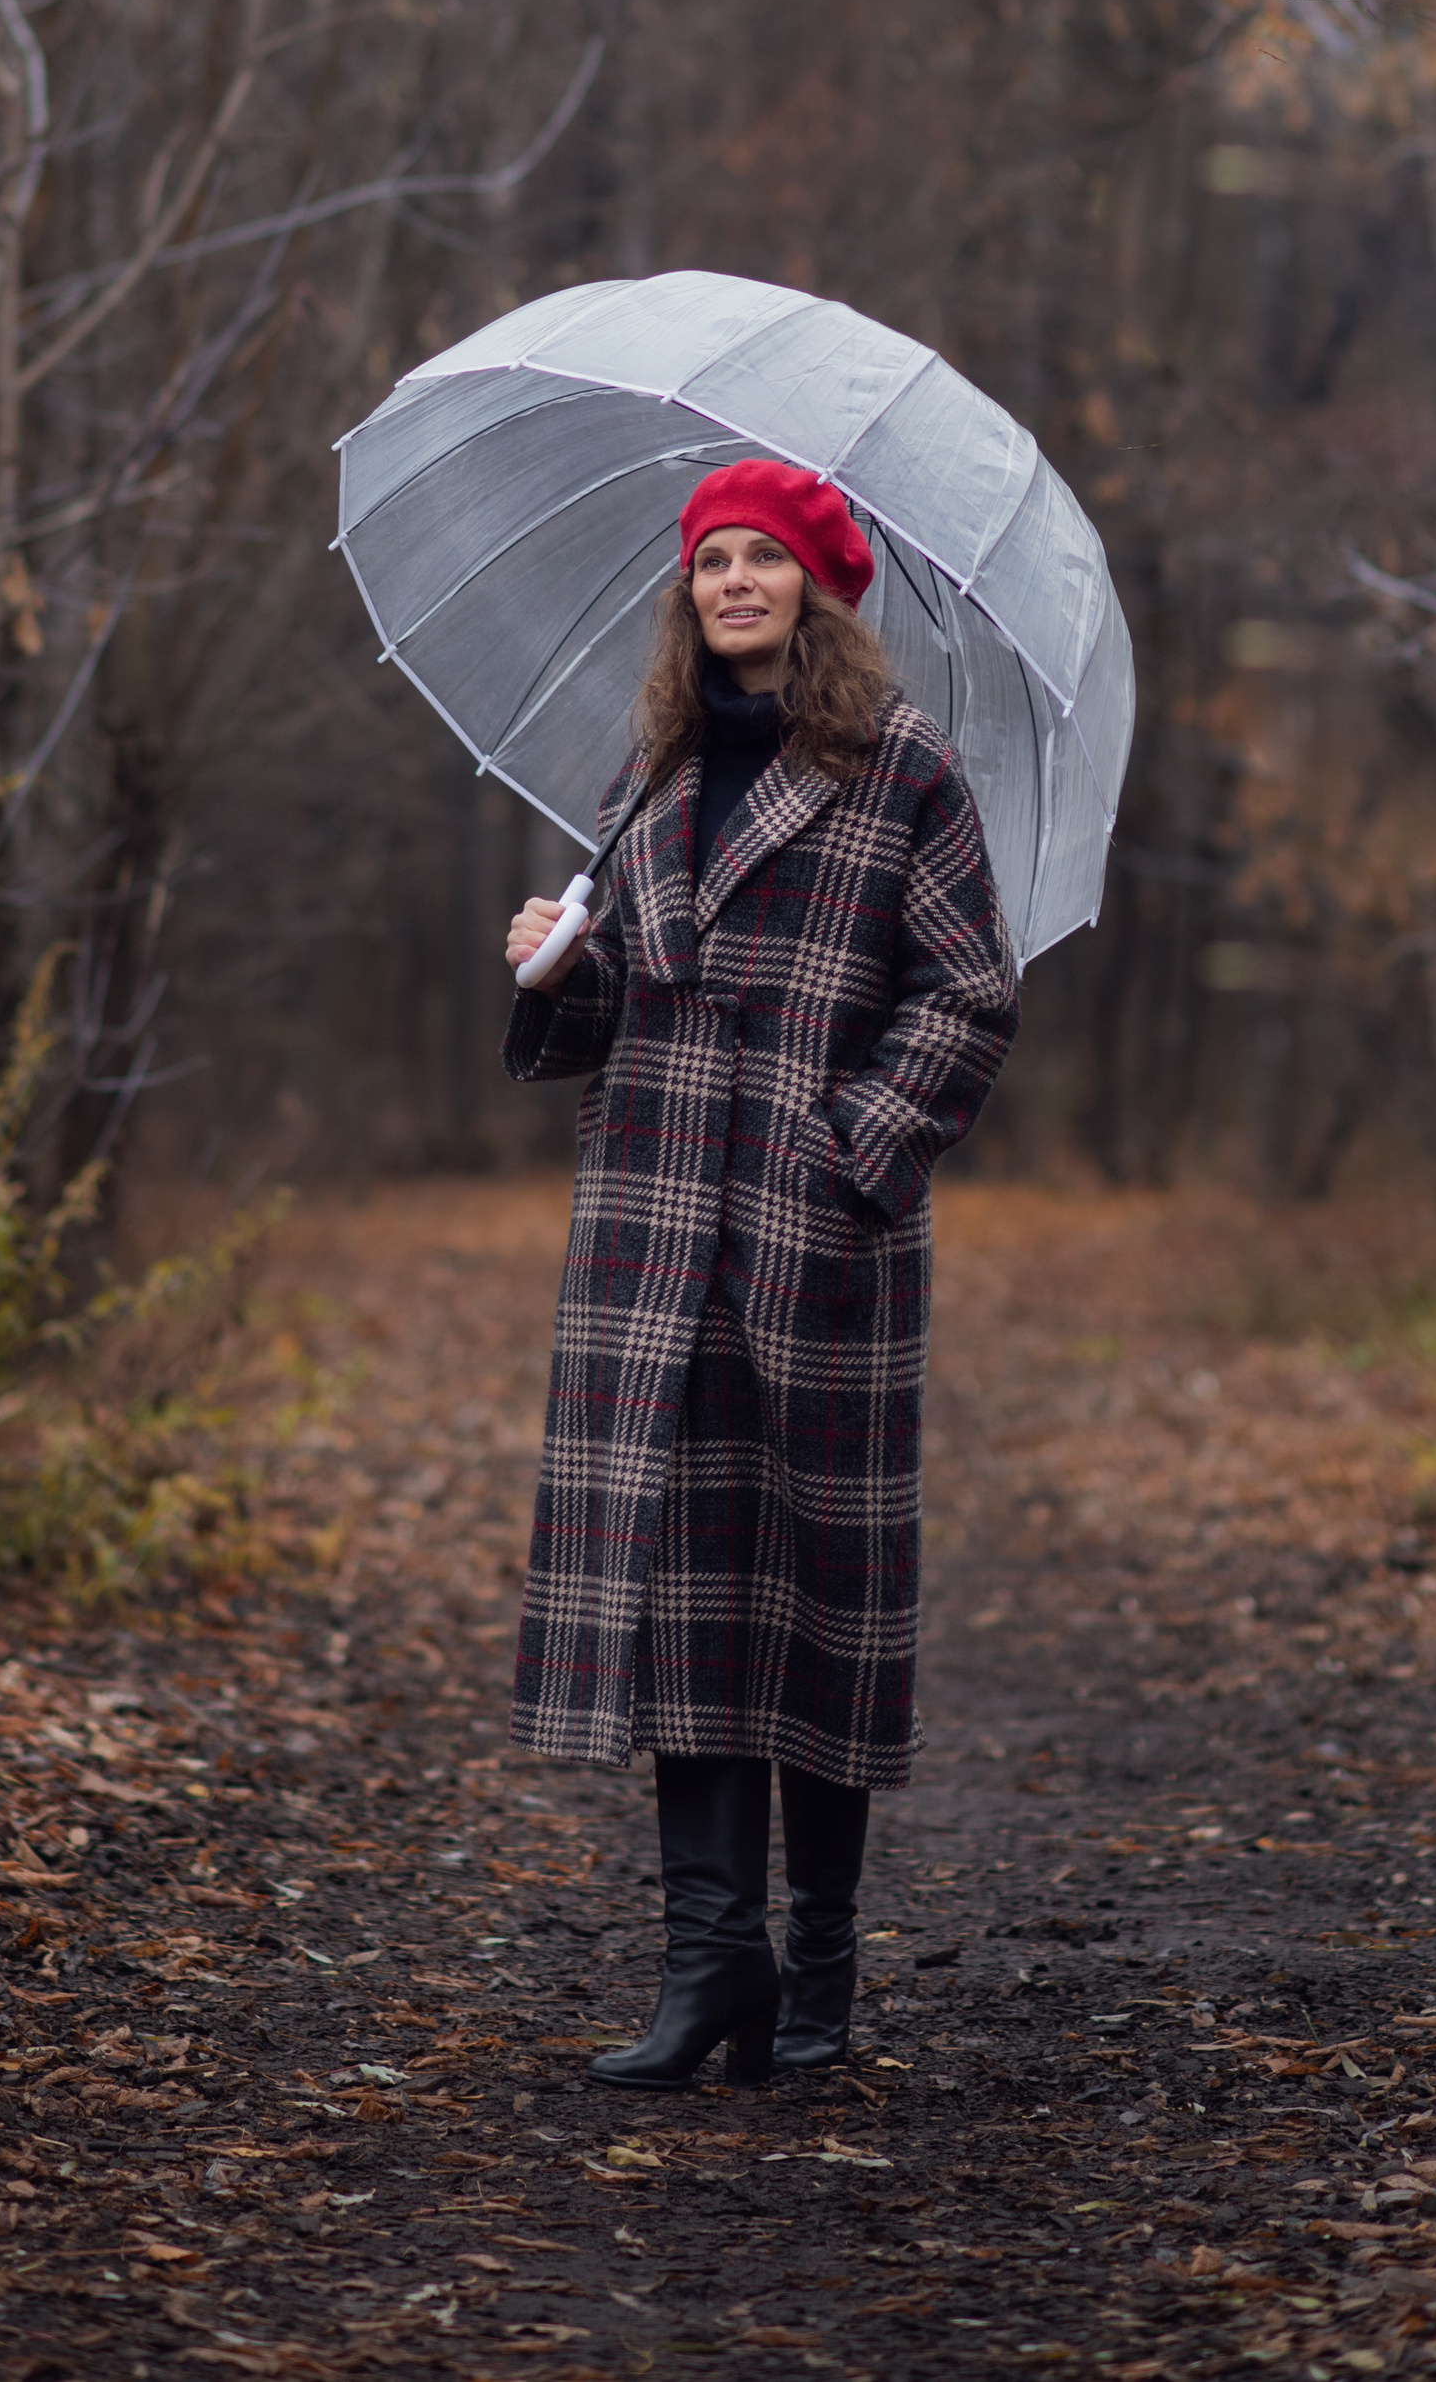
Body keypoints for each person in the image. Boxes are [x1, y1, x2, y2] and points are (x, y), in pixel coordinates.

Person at [501, 457, 1019, 2090]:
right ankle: (704, 1960)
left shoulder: (902, 769)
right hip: (654, 1242)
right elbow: (609, 1018)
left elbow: (968, 997)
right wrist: (553, 969)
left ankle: (821, 1967)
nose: (733, 584)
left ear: (817, 584)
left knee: (817, 1610)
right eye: (712, 561)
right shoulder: (645, 774)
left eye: (763, 560)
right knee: (681, 1603)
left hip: (815, 1246)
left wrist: (840, 1146)